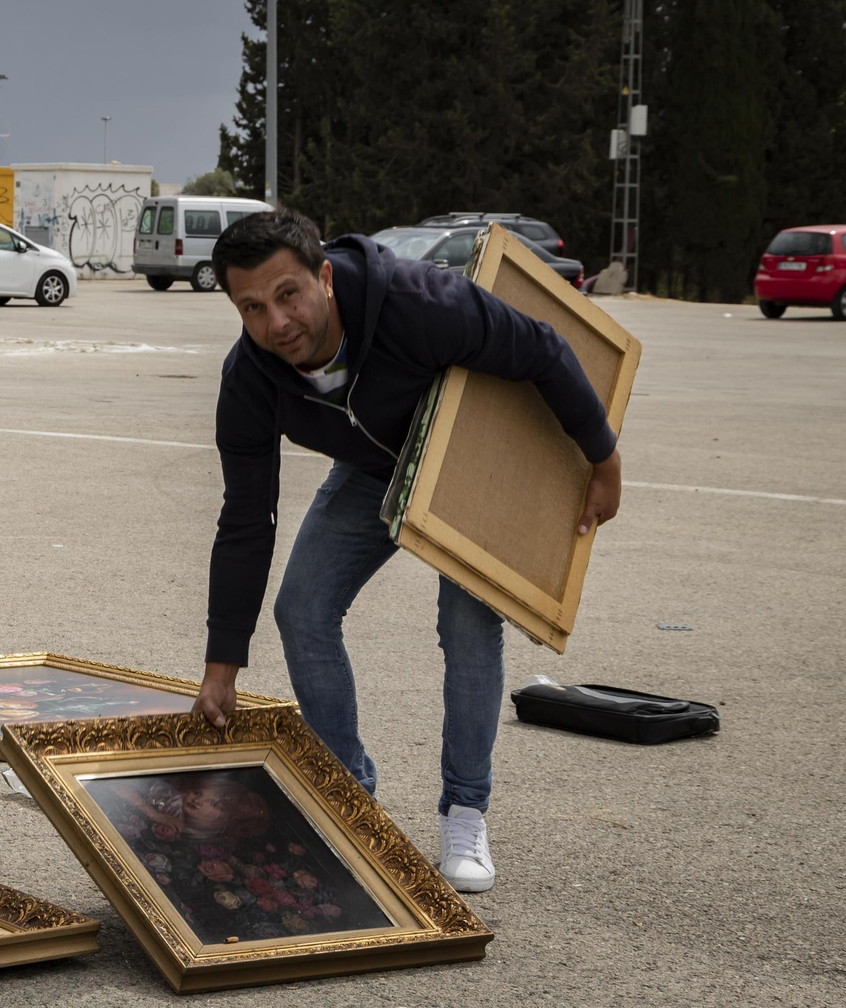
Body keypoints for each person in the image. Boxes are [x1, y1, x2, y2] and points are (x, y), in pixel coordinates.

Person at [192, 209, 622, 893]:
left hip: (464, 454)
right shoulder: (250, 378)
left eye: (288, 294)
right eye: (252, 307)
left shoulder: (419, 303)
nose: (277, 322)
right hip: (371, 470)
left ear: (325, 277)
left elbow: (541, 348)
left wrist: (602, 459)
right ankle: (350, 795)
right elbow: (246, 517)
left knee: (467, 621)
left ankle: (465, 809)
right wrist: (222, 665)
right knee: (301, 608)